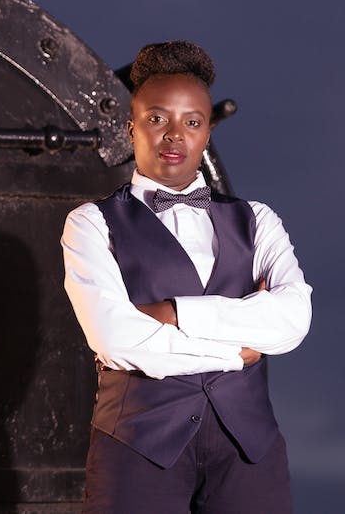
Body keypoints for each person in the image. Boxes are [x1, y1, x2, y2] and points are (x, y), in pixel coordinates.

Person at [61, 41, 312, 513]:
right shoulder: (90, 223)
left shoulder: (259, 219)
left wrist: (175, 313)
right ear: (131, 127)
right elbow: (115, 338)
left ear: (207, 131)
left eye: (192, 122)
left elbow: (293, 320)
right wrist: (238, 351)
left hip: (250, 450)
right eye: (157, 119)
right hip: (137, 447)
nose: (174, 135)